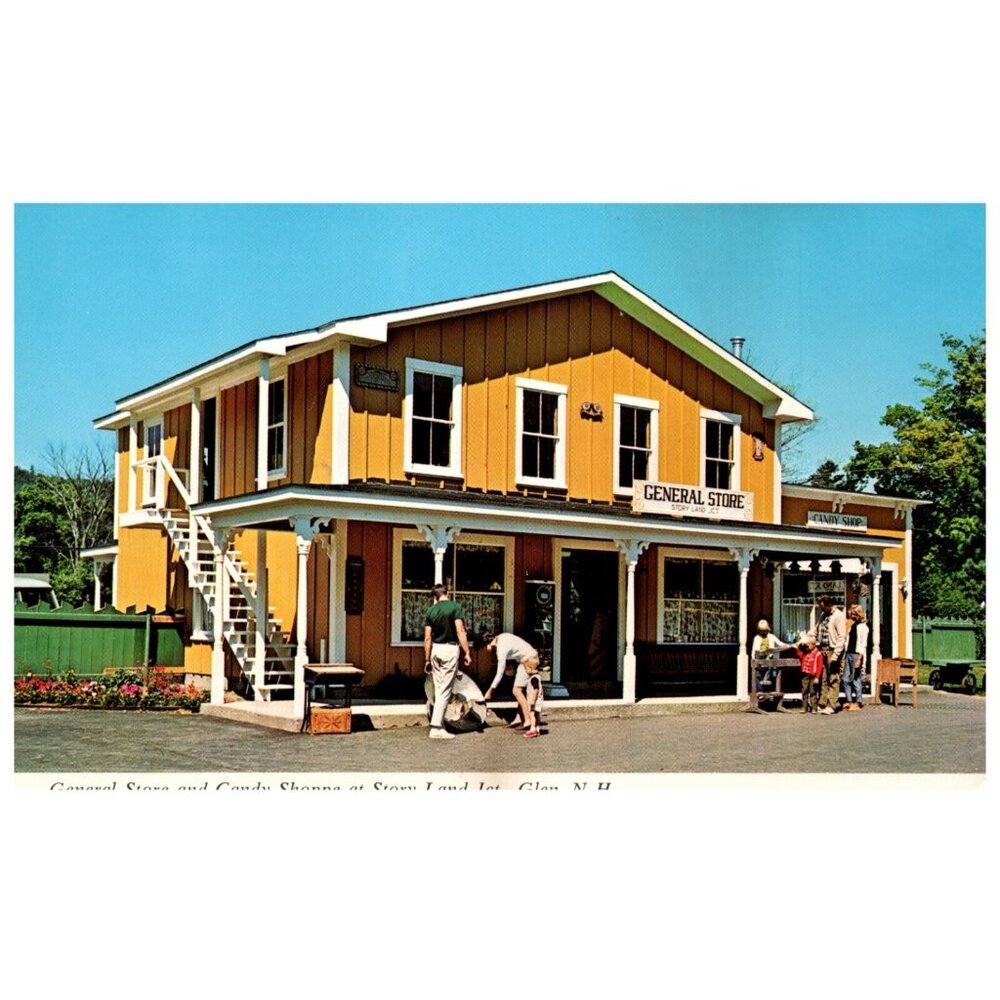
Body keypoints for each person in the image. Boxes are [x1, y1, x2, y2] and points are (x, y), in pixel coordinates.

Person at [423, 583, 472, 740]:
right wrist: (467, 652)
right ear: (447, 593)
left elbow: (427, 637)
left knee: (439, 688)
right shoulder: (455, 607)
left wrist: (426, 658)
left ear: (435, 597)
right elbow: (460, 631)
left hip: (436, 649)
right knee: (445, 688)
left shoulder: (431, 611)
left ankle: (440, 723)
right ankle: (436, 727)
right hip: (450, 649)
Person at [482, 632, 544, 738]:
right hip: (530, 658)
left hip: (528, 661)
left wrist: (490, 691)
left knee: (516, 690)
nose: (487, 651)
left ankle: (528, 721)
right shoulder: (502, 636)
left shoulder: (501, 650)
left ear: (488, 645)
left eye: (485, 648)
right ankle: (521, 719)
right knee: (520, 691)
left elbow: (499, 673)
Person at [815, 594, 848, 715]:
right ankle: (822, 702)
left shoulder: (838, 616)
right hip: (823, 649)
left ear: (829, 605)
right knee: (823, 678)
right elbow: (816, 629)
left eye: (823, 607)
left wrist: (835, 656)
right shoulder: (824, 616)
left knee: (833, 678)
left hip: (833, 649)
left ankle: (831, 704)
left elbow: (841, 637)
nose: (821, 610)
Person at [750, 618, 795, 692]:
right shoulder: (757, 638)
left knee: (768, 676)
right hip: (758, 659)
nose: (763, 632)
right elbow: (754, 650)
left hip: (768, 659)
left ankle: (767, 693)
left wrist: (791, 645)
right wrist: (753, 661)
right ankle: (760, 693)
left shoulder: (771, 637)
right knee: (758, 677)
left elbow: (780, 644)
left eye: (764, 630)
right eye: (761, 631)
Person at [842, 604, 870, 710]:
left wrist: (859, 658)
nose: (853, 616)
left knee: (856, 678)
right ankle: (849, 700)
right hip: (849, 653)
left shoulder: (863, 627)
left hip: (856, 654)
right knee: (845, 678)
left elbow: (863, 644)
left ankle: (858, 701)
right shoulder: (852, 626)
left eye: (855, 614)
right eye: (852, 614)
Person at [794, 631, 824, 713]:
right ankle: (804, 707)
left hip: (813, 675)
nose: (807, 646)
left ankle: (814, 707)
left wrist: (817, 677)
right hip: (805, 673)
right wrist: (799, 646)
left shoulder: (818, 654)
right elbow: (799, 653)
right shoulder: (805, 652)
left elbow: (819, 666)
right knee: (804, 691)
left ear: (813, 644)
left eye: (808, 644)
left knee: (813, 691)